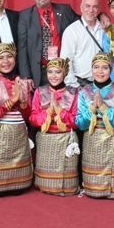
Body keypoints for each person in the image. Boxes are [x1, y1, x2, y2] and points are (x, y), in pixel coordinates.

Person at [0, 43, 34, 194]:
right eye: (0, 58)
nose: (6, 61)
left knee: (20, 186)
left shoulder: (22, 82)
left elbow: (28, 116)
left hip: (18, 135)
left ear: (15, 59)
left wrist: (23, 102)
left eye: (9, 56)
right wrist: (12, 101)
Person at [76, 52, 114, 199]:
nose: (100, 71)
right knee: (93, 187)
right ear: (91, 70)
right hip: (92, 138)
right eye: (96, 67)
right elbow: (80, 124)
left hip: (113, 139)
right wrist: (93, 108)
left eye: (104, 68)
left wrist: (104, 107)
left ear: (111, 70)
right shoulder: (84, 91)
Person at [29, 57, 79, 196]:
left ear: (64, 73)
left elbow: (76, 120)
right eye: (50, 72)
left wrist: (60, 112)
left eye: (57, 72)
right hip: (47, 138)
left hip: (65, 138)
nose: (53, 76)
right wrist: (47, 114)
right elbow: (33, 117)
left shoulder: (73, 92)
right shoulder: (40, 91)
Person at [18, 0, 79, 87]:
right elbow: (22, 47)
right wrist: (26, 76)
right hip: (39, 72)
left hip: (63, 70)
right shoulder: (25, 16)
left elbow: (83, 22)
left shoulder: (65, 10)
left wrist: (100, 16)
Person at [60, 0, 104, 88]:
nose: (91, 10)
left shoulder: (105, 28)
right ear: (81, 7)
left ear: (99, 9)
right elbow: (66, 61)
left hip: (104, 83)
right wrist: (74, 86)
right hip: (80, 84)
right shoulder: (71, 31)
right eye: (87, 6)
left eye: (95, 7)